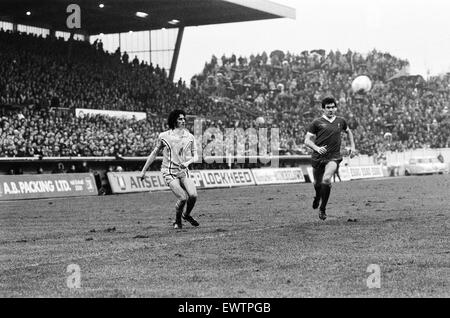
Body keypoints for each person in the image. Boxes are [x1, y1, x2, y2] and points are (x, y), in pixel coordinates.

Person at [139, 109, 199, 229]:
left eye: (184, 118)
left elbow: (196, 156)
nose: (183, 121)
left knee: (193, 195)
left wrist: (187, 163)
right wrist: (143, 171)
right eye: (180, 119)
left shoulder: (190, 137)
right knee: (183, 197)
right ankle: (177, 220)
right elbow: (154, 153)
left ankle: (186, 215)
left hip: (183, 171)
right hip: (169, 172)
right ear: (174, 121)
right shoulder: (164, 136)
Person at [304, 97, 356, 220]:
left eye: (333, 107)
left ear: (336, 108)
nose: (331, 109)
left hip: (334, 157)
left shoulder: (341, 121)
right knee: (317, 184)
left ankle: (323, 208)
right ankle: (317, 196)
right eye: (328, 107)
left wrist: (353, 147)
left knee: (326, 179)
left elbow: (349, 132)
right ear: (323, 109)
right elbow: (307, 140)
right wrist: (316, 148)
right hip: (318, 157)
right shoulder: (316, 123)